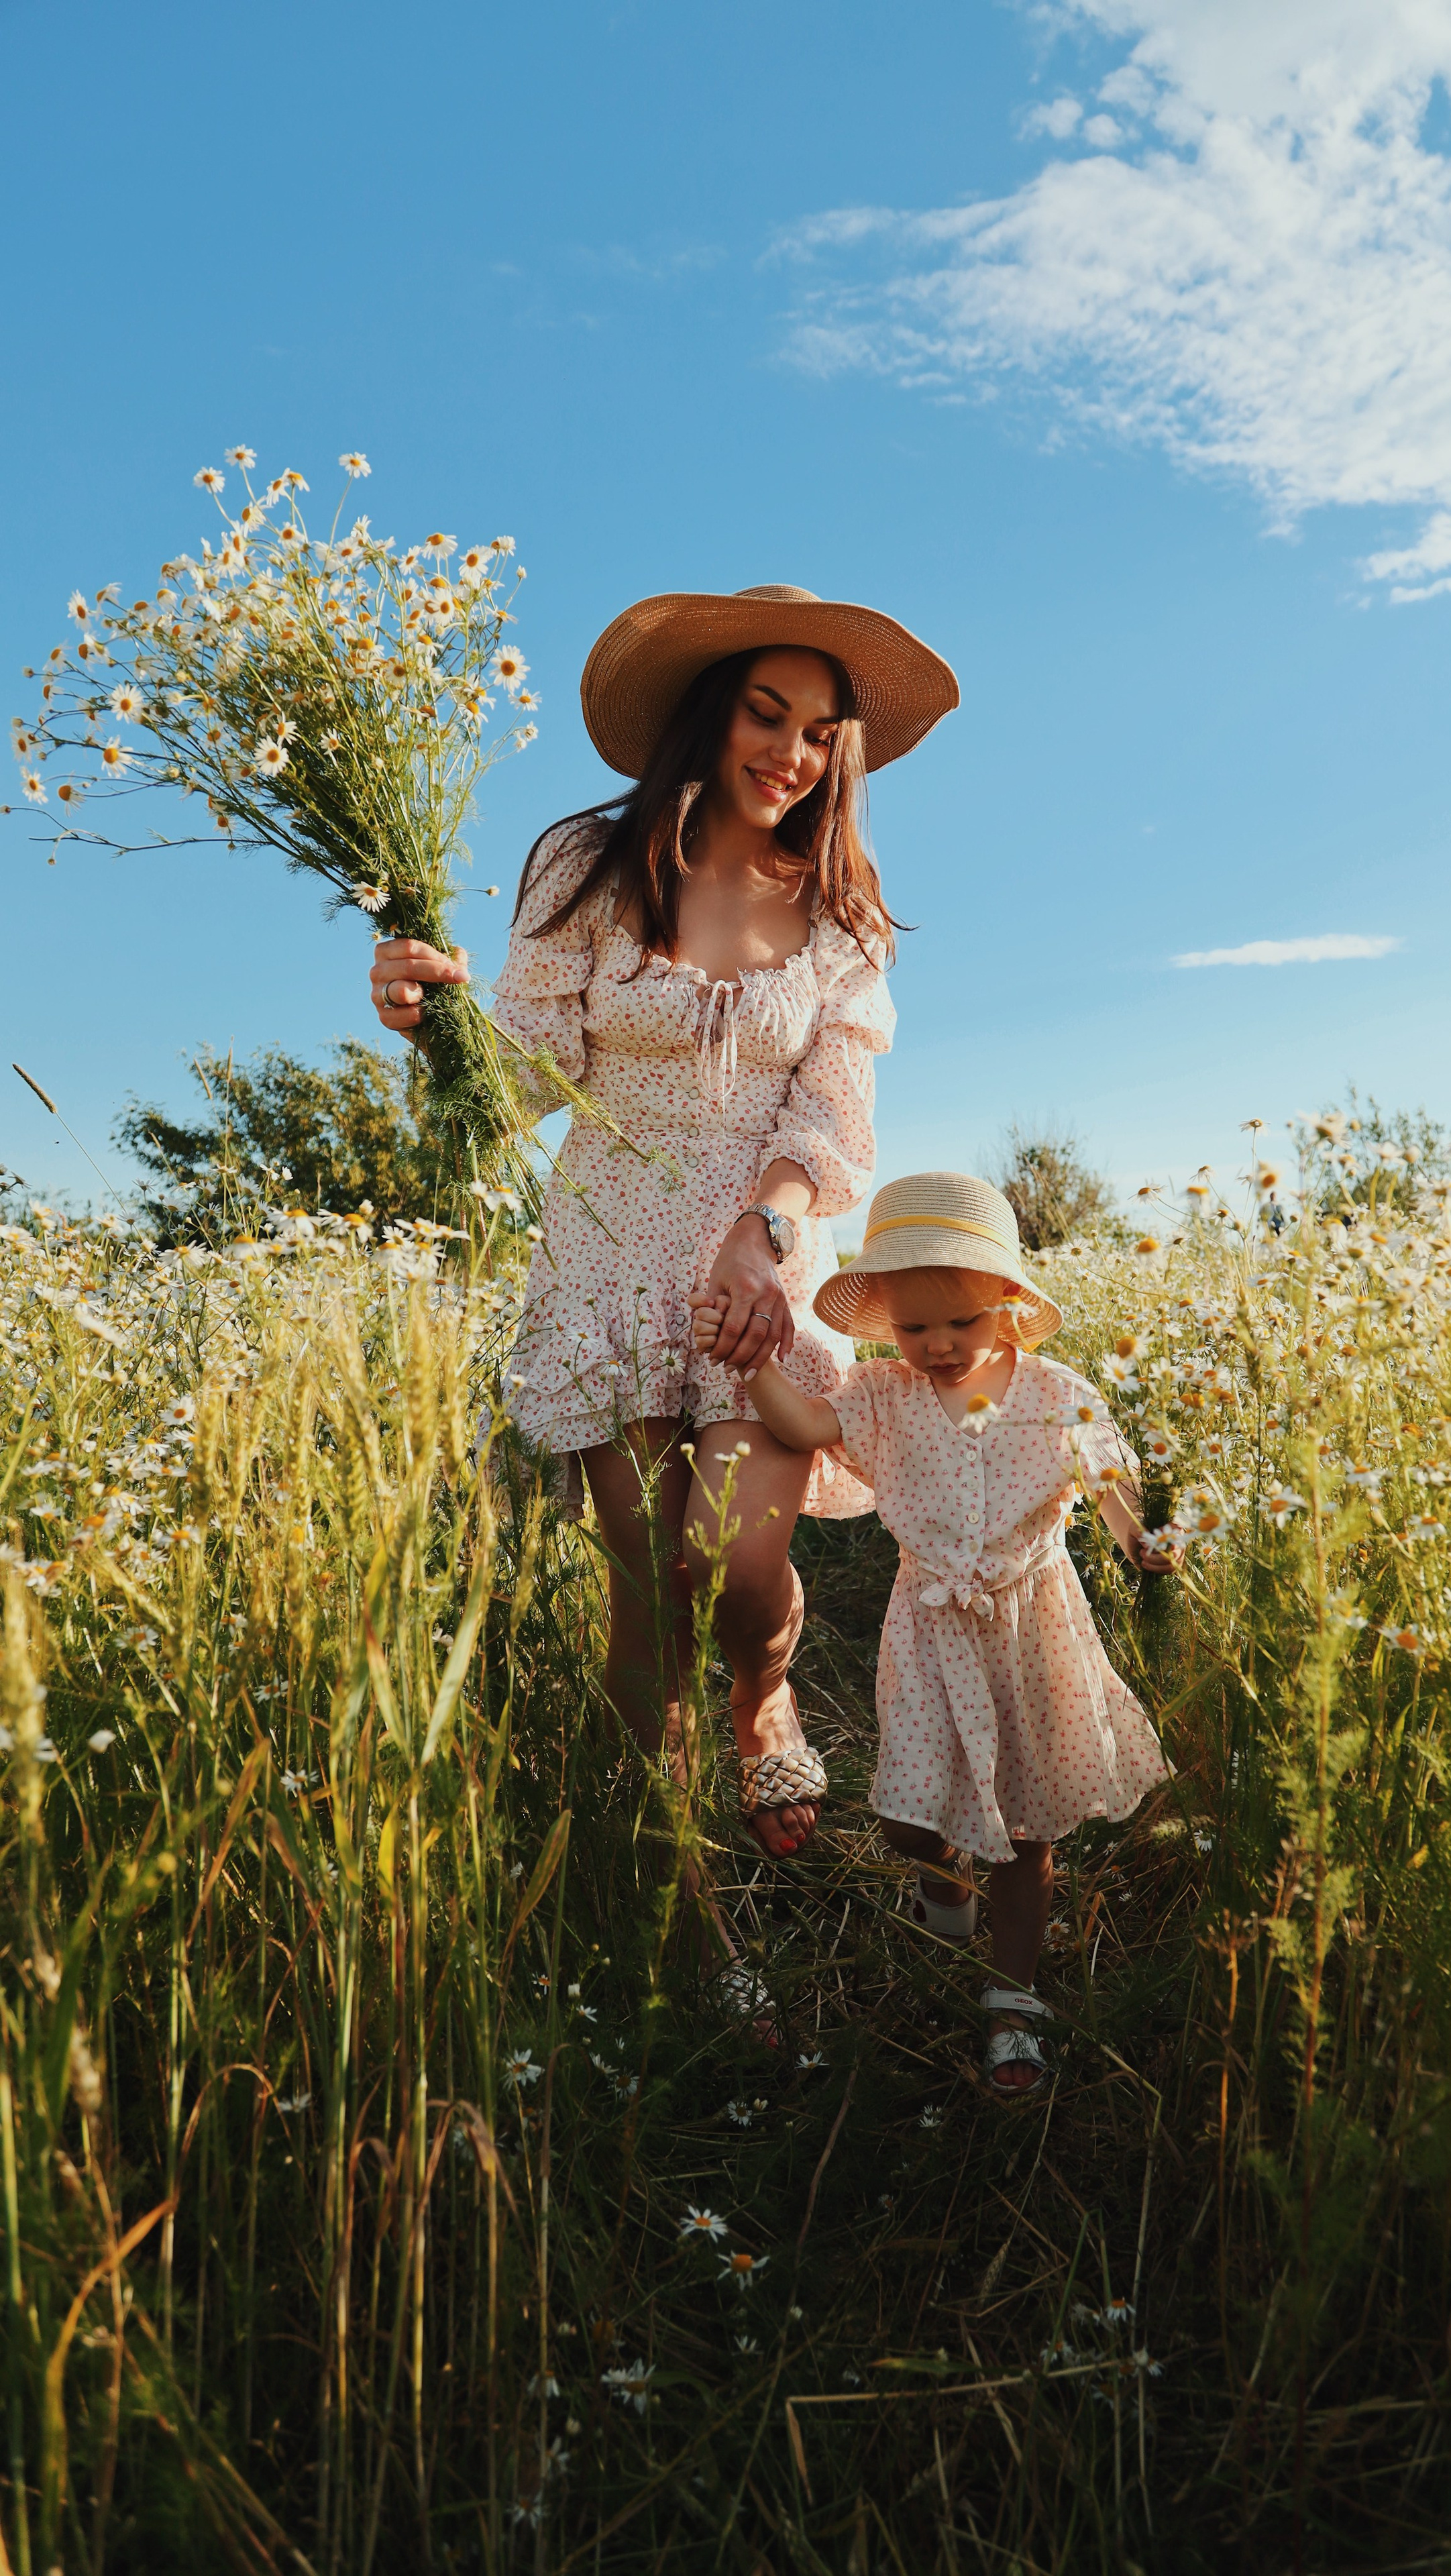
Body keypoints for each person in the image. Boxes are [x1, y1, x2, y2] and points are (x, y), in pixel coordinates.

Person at [366, 585, 957, 1922]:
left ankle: (761, 1702)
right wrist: (431, 1027)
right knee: (652, 1578)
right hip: (605, 1260)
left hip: (761, 1263)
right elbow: (522, 1078)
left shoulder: (841, 915)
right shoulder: (583, 862)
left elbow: (832, 1108)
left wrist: (767, 1231)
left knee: (744, 1566)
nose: (791, 752)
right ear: (712, 713)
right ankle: (672, 1872)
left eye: (820, 730)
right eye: (766, 712)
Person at [693, 1170, 1175, 2095]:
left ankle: (1012, 2003)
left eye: (957, 1324)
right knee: (906, 1816)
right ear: (887, 1324)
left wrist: (1138, 1545)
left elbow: (1108, 1477)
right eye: (913, 1329)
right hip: (927, 1624)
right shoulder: (884, 1397)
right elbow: (800, 1421)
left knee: (1030, 1829)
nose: (937, 1346)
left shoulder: (1052, 1388)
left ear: (1006, 1301)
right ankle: (946, 1873)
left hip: (1034, 1622)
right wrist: (751, 1363)